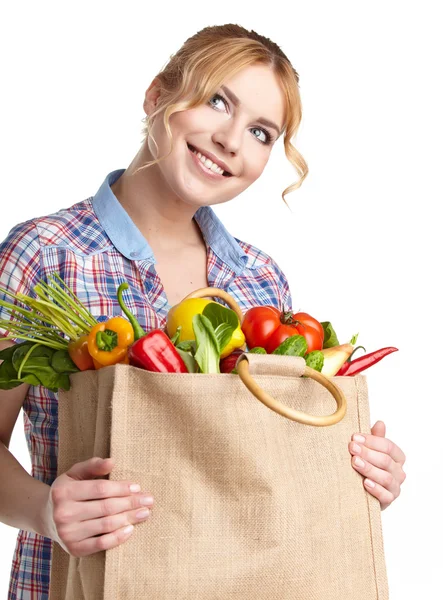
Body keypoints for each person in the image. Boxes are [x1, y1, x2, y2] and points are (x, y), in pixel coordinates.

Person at [0, 23, 406, 599]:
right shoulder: (46, 254)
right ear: (157, 95)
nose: (232, 140)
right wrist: (45, 512)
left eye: (262, 132)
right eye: (218, 101)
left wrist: (360, 471)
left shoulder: (259, 281)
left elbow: (263, 469)